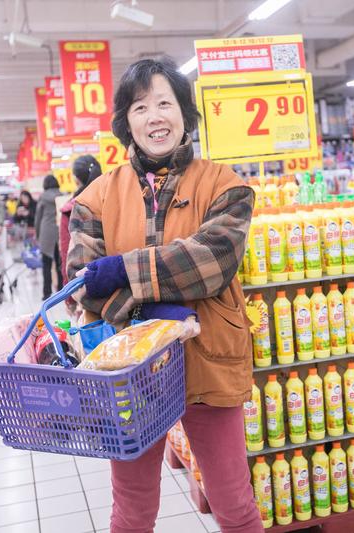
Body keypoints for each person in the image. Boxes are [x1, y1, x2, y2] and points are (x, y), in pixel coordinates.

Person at [66, 58, 261, 532]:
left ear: (184, 113)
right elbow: (81, 282)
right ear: (126, 122)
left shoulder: (226, 185)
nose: (154, 117)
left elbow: (213, 261)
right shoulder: (95, 197)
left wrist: (122, 271)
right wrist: (152, 315)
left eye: (164, 104)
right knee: (131, 511)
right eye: (140, 107)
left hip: (209, 355)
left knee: (233, 502)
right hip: (129, 371)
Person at [59, 155, 101, 282]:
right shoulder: (115, 200)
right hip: (118, 278)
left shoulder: (70, 209)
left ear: (76, 180)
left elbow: (66, 251)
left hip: (83, 281)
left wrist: (68, 286)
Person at [35, 175, 64, 299]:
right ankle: (62, 290)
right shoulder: (62, 196)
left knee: (46, 264)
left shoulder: (43, 197)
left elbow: (38, 217)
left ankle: (46, 293)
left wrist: (37, 234)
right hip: (60, 230)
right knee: (60, 263)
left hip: (46, 231)